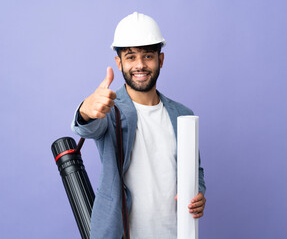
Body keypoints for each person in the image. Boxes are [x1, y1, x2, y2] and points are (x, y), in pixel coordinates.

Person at [71, 12, 206, 238]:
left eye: (148, 56)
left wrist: (198, 193)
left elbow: (195, 170)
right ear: (119, 62)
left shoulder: (183, 115)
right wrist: (86, 110)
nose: (140, 65)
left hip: (177, 233)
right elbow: (88, 127)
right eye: (131, 56)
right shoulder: (109, 110)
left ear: (160, 60)